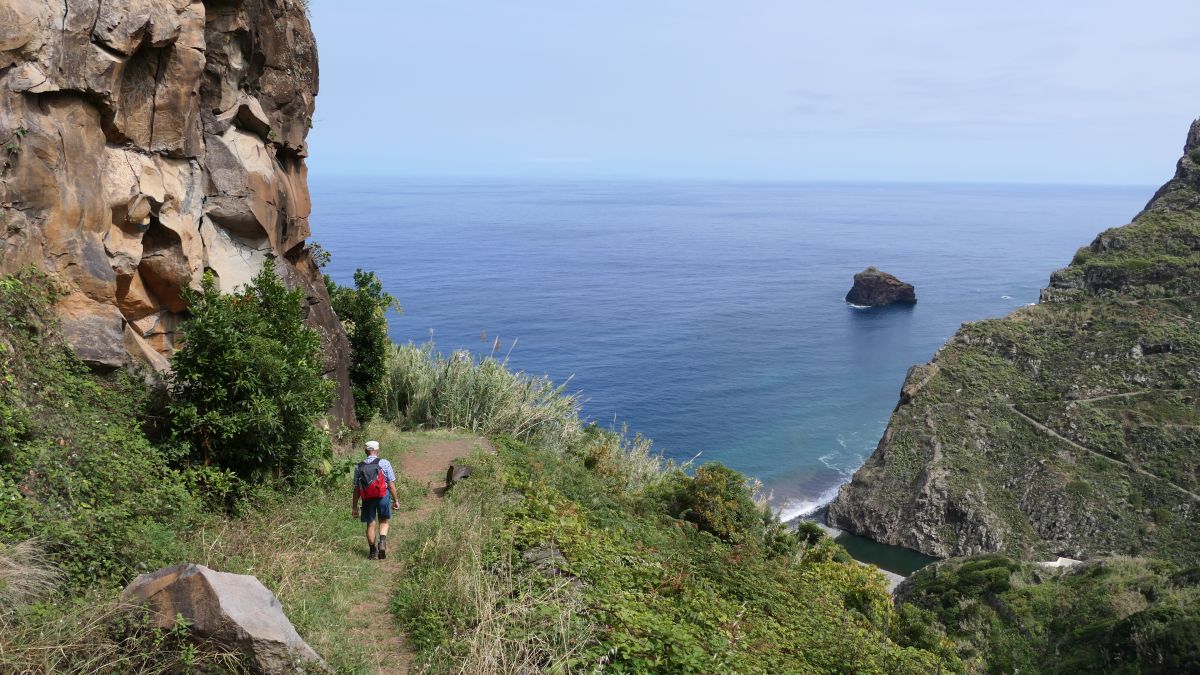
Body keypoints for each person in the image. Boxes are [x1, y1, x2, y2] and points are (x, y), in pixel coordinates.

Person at [351, 440, 400, 560]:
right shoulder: (385, 463)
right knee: (383, 520)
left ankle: (373, 552)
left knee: (371, 523)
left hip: (367, 498)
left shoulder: (359, 466)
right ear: (377, 451)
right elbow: (391, 484)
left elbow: (357, 488)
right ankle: (382, 542)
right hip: (383, 496)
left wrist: (354, 506)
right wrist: (396, 500)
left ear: (365, 451)